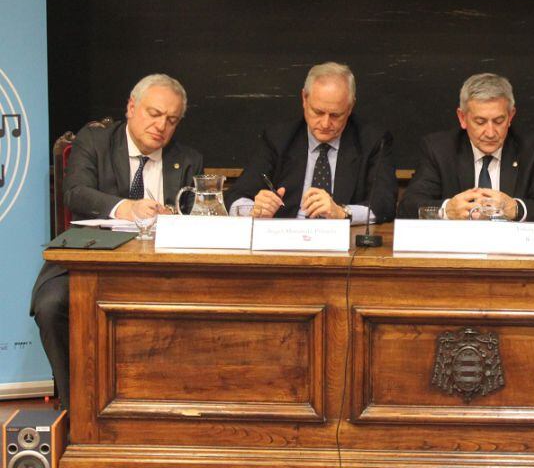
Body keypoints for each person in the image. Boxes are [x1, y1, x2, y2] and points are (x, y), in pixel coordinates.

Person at [30, 74, 203, 408]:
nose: (161, 127)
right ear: (131, 107)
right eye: (154, 114)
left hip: (158, 266)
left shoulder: (188, 159)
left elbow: (194, 215)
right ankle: (75, 406)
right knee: (51, 306)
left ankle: (157, 402)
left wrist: (174, 219)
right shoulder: (93, 141)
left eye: (171, 120)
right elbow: (75, 193)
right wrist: (126, 207)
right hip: (88, 260)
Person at [226, 62, 396, 224]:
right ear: (304, 99)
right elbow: (236, 195)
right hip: (284, 238)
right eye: (318, 112)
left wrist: (343, 213)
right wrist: (253, 210)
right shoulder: (279, 138)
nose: (325, 123)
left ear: (350, 107)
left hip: (344, 244)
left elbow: (385, 204)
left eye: (336, 115)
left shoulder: (372, 141)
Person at [400, 73, 534, 222]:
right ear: (462, 118)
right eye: (480, 122)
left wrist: (516, 209)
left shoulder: (533, 149)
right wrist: (447, 210)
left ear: (511, 116)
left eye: (499, 121)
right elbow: (407, 208)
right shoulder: (439, 149)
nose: (490, 132)